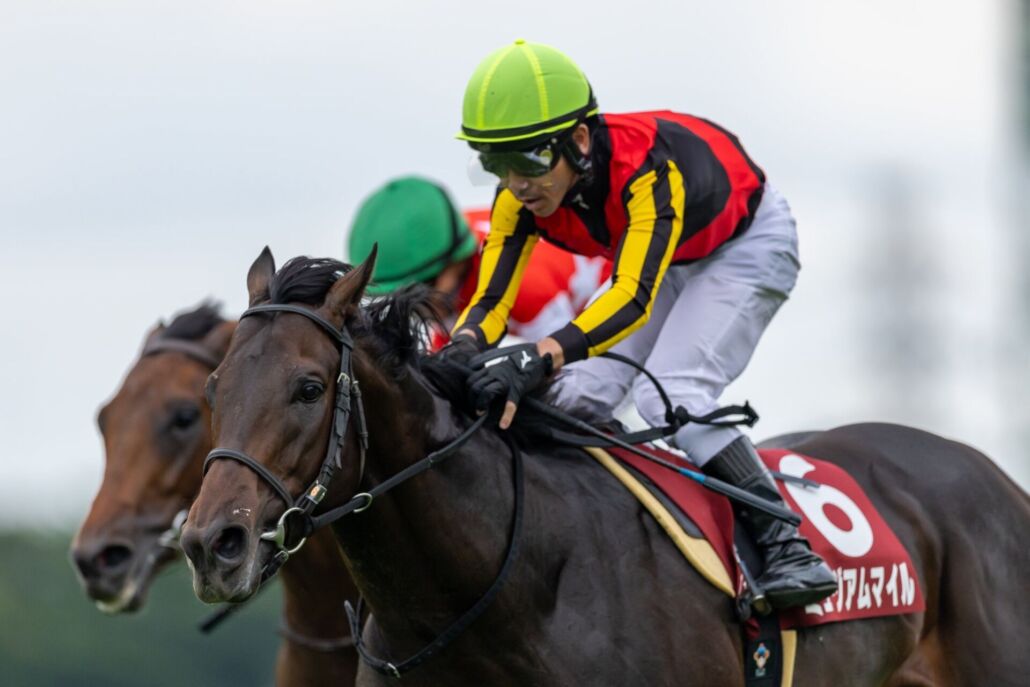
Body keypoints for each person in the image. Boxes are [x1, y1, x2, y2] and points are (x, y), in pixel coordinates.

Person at [442, 39, 836, 610]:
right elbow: (491, 300)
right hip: (670, 256)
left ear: (580, 140)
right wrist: (459, 349)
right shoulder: (518, 198)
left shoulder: (646, 171)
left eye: (529, 160)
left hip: (746, 245)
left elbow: (631, 300)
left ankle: (788, 546)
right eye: (495, 164)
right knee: (570, 399)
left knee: (672, 395)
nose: (517, 183)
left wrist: (538, 354)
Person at [346, 176, 609, 349]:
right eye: (399, 296)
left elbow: (569, 369)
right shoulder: (449, 274)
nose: (415, 307)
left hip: (613, 298)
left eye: (421, 289)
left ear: (455, 261)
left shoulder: (523, 284)